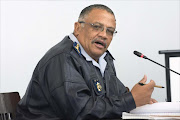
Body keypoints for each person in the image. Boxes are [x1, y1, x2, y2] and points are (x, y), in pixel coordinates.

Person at [15, 4, 157, 120]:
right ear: (77, 28)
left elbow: (115, 97)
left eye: (110, 31)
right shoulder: (63, 58)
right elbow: (81, 112)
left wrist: (139, 101)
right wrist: (130, 100)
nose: (103, 35)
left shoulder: (104, 59)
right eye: (96, 27)